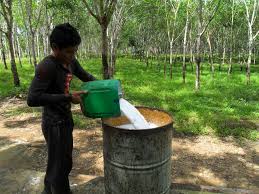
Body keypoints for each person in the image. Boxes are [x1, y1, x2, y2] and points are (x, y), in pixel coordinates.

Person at [27, 23, 96, 194]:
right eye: (68, 52)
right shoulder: (47, 66)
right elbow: (32, 98)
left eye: (74, 51)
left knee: (63, 164)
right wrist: (67, 97)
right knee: (58, 167)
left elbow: (86, 76)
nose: (72, 56)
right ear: (55, 48)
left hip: (65, 119)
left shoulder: (71, 61)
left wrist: (106, 87)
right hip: (53, 124)